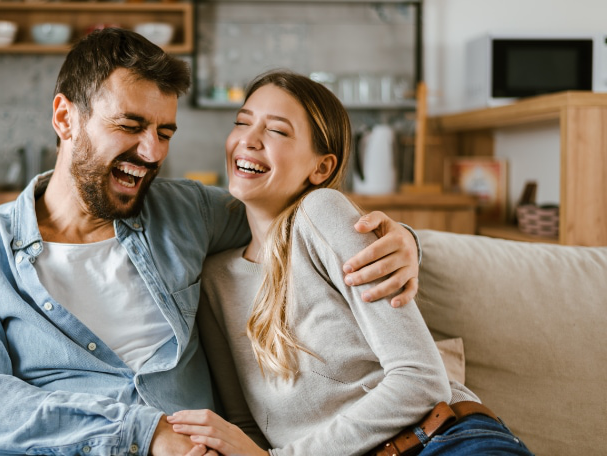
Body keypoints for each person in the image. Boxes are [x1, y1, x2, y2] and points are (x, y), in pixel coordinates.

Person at [0, 29, 422, 456]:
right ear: (65, 118)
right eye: (131, 126)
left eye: (165, 132)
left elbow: (291, 208)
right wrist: (144, 434)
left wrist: (402, 241)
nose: (151, 153)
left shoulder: (186, 212)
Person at [166, 70, 534, 456]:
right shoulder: (214, 280)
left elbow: (422, 381)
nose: (248, 140)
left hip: (440, 442)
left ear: (321, 169)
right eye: (242, 122)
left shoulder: (319, 213)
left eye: (276, 131)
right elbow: (248, 427)